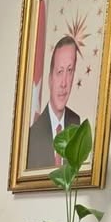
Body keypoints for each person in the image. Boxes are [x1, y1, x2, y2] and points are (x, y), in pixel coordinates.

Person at [26, 36, 81, 171]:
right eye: (60, 72)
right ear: (50, 79)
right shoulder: (33, 135)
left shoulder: (76, 124)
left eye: (69, 71)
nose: (64, 83)